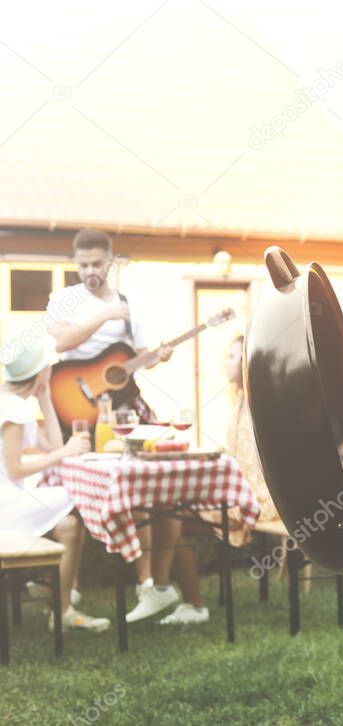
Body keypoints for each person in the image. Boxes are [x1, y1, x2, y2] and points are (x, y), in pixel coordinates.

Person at [45, 228, 205, 626]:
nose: (90, 271)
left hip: (124, 410)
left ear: (111, 262)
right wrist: (102, 315)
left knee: (152, 484)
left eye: (98, 263)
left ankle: (150, 585)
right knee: (71, 498)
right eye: (83, 264)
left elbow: (139, 357)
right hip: (75, 408)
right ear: (75, 264)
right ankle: (70, 592)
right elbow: (60, 342)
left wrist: (160, 356)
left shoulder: (130, 306)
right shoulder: (63, 299)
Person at [0, 334, 110, 631]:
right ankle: (61, 605)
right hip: (6, 505)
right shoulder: (14, 409)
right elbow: (15, 468)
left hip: (10, 499)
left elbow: (52, 445)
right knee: (75, 498)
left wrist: (45, 397)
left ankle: (61, 598)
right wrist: (65, 452)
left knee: (69, 525)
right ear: (40, 371)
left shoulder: (14, 402)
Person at [198, 334, 278, 546]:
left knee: (194, 503)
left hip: (262, 496)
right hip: (241, 487)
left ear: (246, 362)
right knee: (190, 500)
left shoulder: (261, 403)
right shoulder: (239, 398)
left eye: (232, 357)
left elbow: (258, 462)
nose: (225, 362)